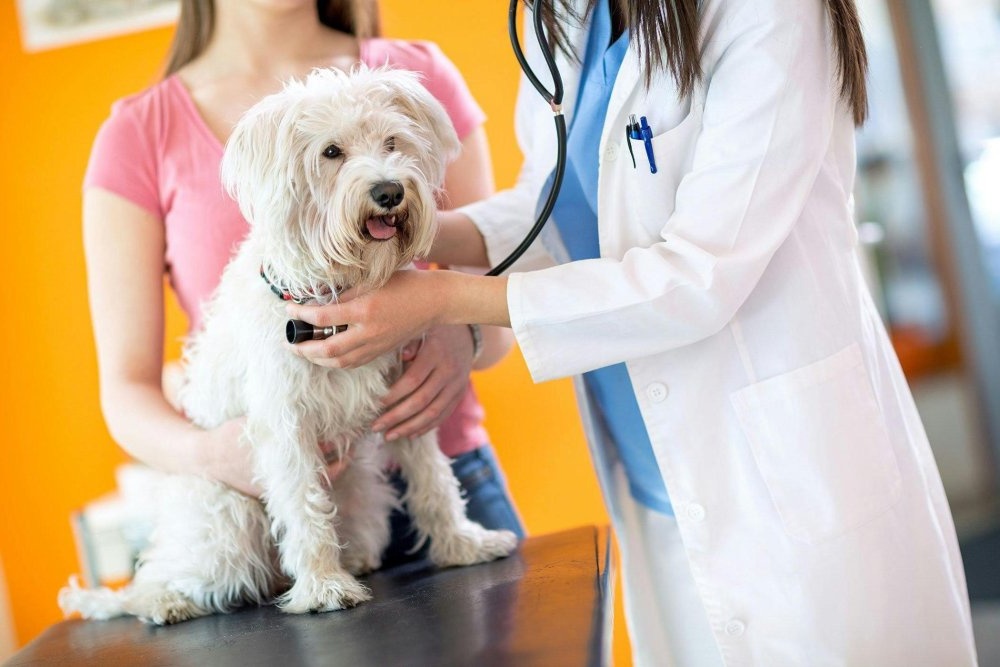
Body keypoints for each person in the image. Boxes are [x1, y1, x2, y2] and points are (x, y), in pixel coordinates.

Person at [286, 0, 980, 664]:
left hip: (783, 472)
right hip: (655, 472)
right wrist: (400, 228)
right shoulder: (562, 15)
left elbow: (699, 273)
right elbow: (549, 200)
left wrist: (441, 298)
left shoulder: (768, 10)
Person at [82, 0, 524, 571]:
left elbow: (496, 289)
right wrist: (216, 455)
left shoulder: (418, 76)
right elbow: (125, 392)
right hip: (262, 510)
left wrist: (457, 333)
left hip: (450, 476)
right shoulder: (138, 134)